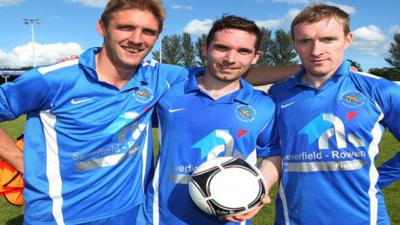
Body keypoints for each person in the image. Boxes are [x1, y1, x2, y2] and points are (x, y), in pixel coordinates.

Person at [0, 1, 297, 224]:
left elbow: (226, 76)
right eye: (125, 27)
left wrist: (306, 67)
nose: (137, 39)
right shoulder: (56, 78)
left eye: (148, 31)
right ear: (102, 28)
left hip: (130, 212)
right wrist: (23, 162)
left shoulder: (158, 77)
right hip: (62, 215)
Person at [268, 3, 400, 225]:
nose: (316, 50)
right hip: (293, 219)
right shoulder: (278, 94)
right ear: (295, 45)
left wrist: (376, 178)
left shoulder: (380, 90)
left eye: (328, 39)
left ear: (348, 40)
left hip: (364, 219)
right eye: (305, 41)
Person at [145, 15, 281, 225]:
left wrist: (260, 188)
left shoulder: (263, 105)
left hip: (233, 218)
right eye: (221, 48)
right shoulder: (169, 91)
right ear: (205, 48)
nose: (230, 59)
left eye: (243, 51)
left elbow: (273, 152)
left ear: (255, 57)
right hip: (161, 216)